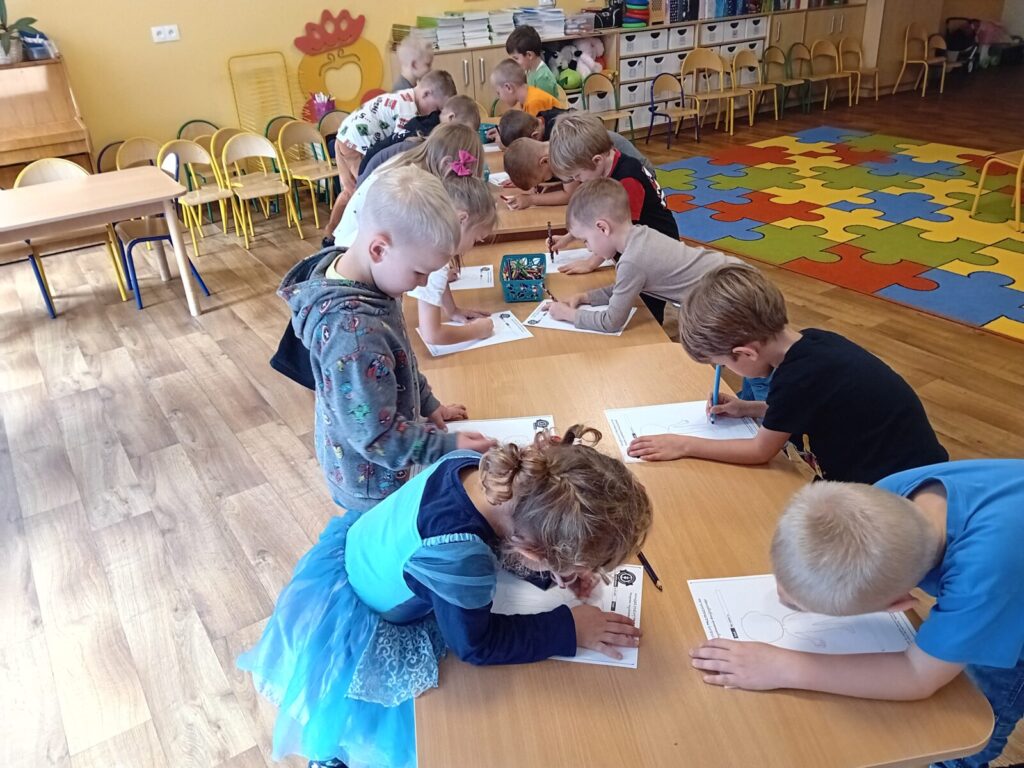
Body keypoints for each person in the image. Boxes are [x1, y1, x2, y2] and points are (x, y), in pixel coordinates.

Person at [238, 426, 654, 768]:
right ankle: (333, 752)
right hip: (360, 631)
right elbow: (477, 645)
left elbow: (496, 531)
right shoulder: (459, 558)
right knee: (388, 729)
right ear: (531, 550)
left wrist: (554, 572)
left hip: (355, 562)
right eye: (570, 565)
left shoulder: (480, 469)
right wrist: (568, 628)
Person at [691, 459, 1024, 768]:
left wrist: (783, 666)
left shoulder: (982, 580)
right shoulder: (885, 498)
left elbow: (918, 675)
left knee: (975, 715)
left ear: (899, 605)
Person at [277, 165, 494, 512]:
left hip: (385, 457)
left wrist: (429, 405)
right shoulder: (354, 338)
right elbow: (378, 439)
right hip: (371, 484)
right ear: (379, 249)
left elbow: (401, 358)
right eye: (419, 272)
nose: (424, 283)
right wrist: (447, 446)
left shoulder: (370, 279)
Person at [629, 264, 950, 484]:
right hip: (907, 466)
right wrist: (748, 408)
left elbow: (759, 451)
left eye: (722, 363)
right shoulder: (813, 343)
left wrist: (683, 445)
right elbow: (807, 406)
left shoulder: (797, 377)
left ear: (746, 353)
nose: (724, 369)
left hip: (899, 487)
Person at [545, 178, 739, 333]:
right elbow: (623, 287)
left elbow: (611, 322)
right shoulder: (641, 234)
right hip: (730, 273)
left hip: (730, 293)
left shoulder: (632, 261)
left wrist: (568, 315)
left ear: (602, 228)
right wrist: (585, 297)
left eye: (585, 240)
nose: (588, 248)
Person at [324, 70, 458, 239]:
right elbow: (400, 145)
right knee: (362, 190)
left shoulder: (403, 96)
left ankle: (331, 232)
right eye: (437, 108)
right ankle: (344, 234)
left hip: (345, 137)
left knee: (349, 190)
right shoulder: (407, 111)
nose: (436, 114)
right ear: (426, 94)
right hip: (356, 143)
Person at [547, 113, 678, 274]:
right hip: (636, 242)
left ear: (597, 161)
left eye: (578, 175)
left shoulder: (627, 179)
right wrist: (568, 238)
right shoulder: (604, 167)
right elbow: (594, 215)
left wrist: (590, 263)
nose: (577, 180)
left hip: (659, 250)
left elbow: (616, 231)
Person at [334, 122, 484, 249]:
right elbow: (415, 238)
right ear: (446, 163)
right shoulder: (415, 182)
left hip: (362, 243)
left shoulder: (413, 161)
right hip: (355, 246)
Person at [412, 174, 497, 346]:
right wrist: (476, 331)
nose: (473, 246)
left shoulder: (432, 237)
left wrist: (452, 310)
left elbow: (440, 278)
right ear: (461, 219)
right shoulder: (432, 257)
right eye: (475, 239)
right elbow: (432, 334)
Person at [357, 94, 482, 185]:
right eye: (462, 130)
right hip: (368, 180)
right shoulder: (428, 141)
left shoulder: (429, 127)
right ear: (451, 118)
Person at [497, 107, 655, 175]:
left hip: (643, 170)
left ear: (534, 136)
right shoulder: (544, 123)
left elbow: (570, 189)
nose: (575, 178)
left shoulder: (559, 139)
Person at [490, 58, 562, 117]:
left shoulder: (533, 102)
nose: (499, 97)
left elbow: (534, 129)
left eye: (498, 93)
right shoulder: (527, 97)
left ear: (508, 88)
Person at [505, 24, 560, 98]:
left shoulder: (543, 78)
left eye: (516, 58)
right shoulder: (529, 69)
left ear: (529, 55)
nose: (514, 62)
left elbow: (544, 104)